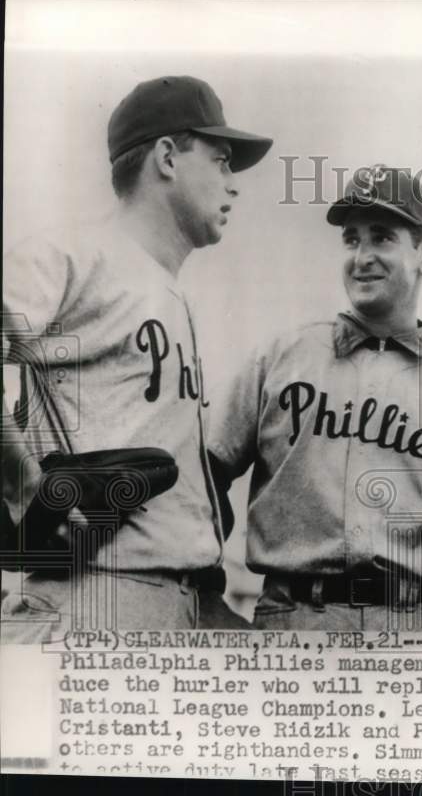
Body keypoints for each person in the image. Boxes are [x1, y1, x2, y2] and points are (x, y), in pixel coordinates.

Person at [1, 75, 273, 641]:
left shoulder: (175, 294)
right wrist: (23, 484)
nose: (233, 184)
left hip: (173, 603)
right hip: (89, 595)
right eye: (222, 160)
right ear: (168, 157)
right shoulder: (70, 254)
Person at [209, 166, 422, 631]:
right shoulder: (282, 357)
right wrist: (207, 596)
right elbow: (204, 480)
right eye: (351, 240)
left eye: (381, 238)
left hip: (417, 624)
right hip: (293, 618)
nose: (362, 256)